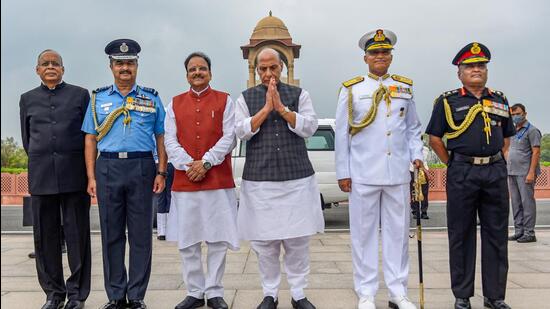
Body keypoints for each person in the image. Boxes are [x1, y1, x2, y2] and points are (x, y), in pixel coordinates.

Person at [335, 29, 423, 309]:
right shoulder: (352, 89)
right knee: (363, 235)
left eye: (385, 52)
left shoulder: (405, 88)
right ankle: (366, 292)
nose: (380, 56)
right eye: (375, 52)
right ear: (366, 57)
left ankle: (398, 292)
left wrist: (417, 156)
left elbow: (412, 129)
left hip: (397, 172)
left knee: (399, 234)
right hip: (363, 173)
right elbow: (342, 135)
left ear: (391, 56)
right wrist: (343, 172)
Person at [426, 42, 514, 309]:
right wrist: (454, 163)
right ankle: (462, 295)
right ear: (459, 72)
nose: (476, 70)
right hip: (462, 171)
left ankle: (495, 296)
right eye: (470, 66)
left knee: (496, 234)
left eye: (481, 65)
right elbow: (435, 139)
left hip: (494, 171)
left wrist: (495, 161)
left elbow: (507, 138)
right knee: (461, 234)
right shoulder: (448, 101)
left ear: (486, 70)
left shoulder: (499, 99)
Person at [235, 48, 324, 309]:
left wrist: (282, 109)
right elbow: (240, 131)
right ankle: (270, 294)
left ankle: (298, 293)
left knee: (297, 241)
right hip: (260, 181)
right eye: (262, 69)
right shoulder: (245, 98)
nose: (268, 73)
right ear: (256, 69)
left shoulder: (299, 95)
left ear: (282, 67)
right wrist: (265, 109)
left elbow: (310, 126)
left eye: (273, 67)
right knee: (265, 243)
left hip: (296, 179)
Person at [81, 39, 167, 309]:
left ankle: (137, 295)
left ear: (137, 66)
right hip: (108, 168)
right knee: (111, 233)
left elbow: (161, 137)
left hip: (142, 167)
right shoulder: (98, 99)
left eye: (129, 63)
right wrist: (91, 177)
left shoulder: (151, 98)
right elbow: (90, 140)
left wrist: (161, 171)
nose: (125, 67)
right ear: (111, 67)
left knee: (141, 234)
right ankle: (116, 295)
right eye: (119, 63)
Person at [164, 51, 239, 309]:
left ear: (210, 72)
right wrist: (189, 165)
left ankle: (215, 291)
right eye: (193, 69)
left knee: (217, 239)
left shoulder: (225, 101)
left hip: (217, 179)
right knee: (188, 239)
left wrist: (206, 162)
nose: (197, 72)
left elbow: (230, 137)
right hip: (186, 183)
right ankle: (195, 291)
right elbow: (169, 140)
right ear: (186, 74)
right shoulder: (173, 104)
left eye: (202, 68)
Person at [19, 49, 91, 309]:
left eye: (56, 64)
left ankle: (77, 295)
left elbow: (88, 136)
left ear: (63, 69)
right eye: (45, 64)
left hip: (75, 174)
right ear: (37, 69)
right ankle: (53, 293)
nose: (50, 67)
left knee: (77, 236)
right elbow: (28, 140)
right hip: (41, 175)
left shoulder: (80, 95)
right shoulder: (27, 99)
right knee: (45, 237)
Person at [508, 103, 541, 243]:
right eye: (513, 114)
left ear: (525, 114)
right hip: (512, 172)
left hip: (525, 173)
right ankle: (519, 230)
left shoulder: (532, 131)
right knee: (516, 203)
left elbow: (536, 152)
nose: (516, 116)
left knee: (527, 203)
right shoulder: (513, 131)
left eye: (518, 114)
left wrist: (531, 172)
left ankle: (529, 232)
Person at [410, 142, 430, 220]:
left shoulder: (425, 149)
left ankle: (424, 212)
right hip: (412, 171)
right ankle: (415, 211)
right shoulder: (409, 149)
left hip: (423, 171)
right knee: (414, 192)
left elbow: (421, 160)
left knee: (424, 192)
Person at [154, 161, 174, 241]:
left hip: (157, 163)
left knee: (160, 197)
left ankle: (161, 231)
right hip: (170, 162)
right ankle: (170, 230)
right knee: (170, 196)